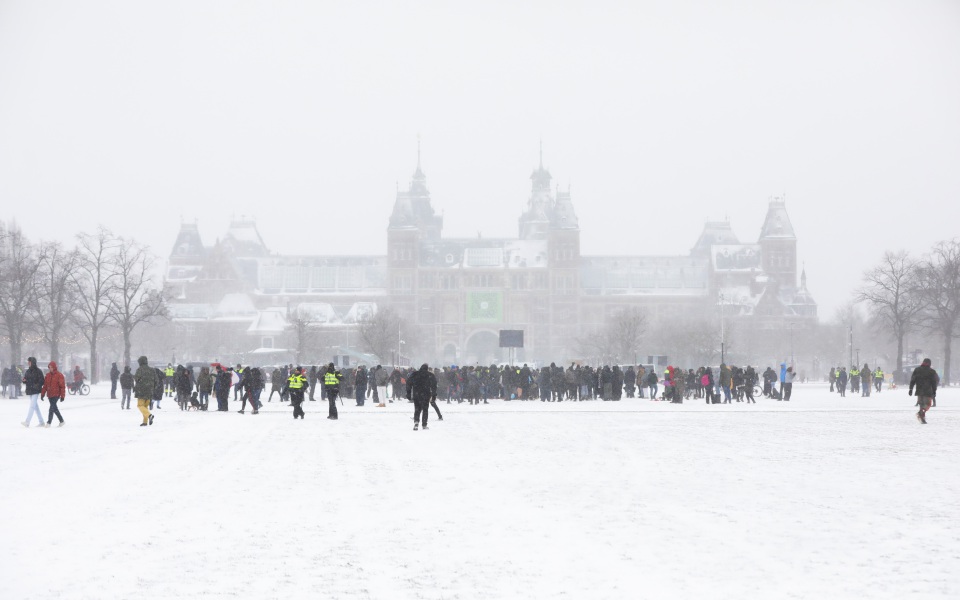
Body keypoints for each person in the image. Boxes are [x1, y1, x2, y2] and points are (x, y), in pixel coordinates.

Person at [406, 363, 438, 431]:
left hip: (416, 394)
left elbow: (408, 383)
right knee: (425, 409)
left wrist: (408, 393)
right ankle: (424, 424)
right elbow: (434, 386)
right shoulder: (430, 375)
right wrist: (434, 395)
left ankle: (416, 422)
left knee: (417, 409)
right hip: (426, 394)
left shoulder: (415, 374)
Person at [908, 358, 938, 424]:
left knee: (921, 404)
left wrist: (910, 389)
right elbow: (934, 382)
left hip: (919, 390)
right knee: (928, 404)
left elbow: (912, 380)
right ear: (929, 363)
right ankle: (921, 414)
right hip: (927, 391)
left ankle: (922, 418)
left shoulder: (917, 370)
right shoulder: (932, 371)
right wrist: (934, 390)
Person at [40, 361, 67, 427]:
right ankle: (61, 421)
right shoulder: (47, 375)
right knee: (54, 408)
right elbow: (45, 385)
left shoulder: (59, 375)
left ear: (54, 367)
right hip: (50, 394)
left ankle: (49, 423)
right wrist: (42, 394)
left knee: (51, 408)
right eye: (49, 367)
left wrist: (62, 396)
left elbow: (62, 386)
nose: (50, 368)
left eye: (51, 367)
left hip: (56, 394)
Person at [21, 357, 46, 428]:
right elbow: (25, 379)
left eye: (29, 362)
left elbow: (42, 380)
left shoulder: (38, 371)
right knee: (35, 407)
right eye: (28, 362)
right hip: (30, 390)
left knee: (32, 406)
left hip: (36, 391)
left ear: (32, 362)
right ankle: (41, 422)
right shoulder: (28, 371)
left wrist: (36, 385)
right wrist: (24, 380)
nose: (28, 363)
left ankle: (27, 422)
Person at [134, 356, 157, 427]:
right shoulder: (152, 370)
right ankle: (145, 422)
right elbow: (156, 380)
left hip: (141, 390)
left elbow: (136, 378)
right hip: (149, 391)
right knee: (145, 406)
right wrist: (153, 388)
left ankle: (149, 415)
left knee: (140, 405)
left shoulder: (140, 369)